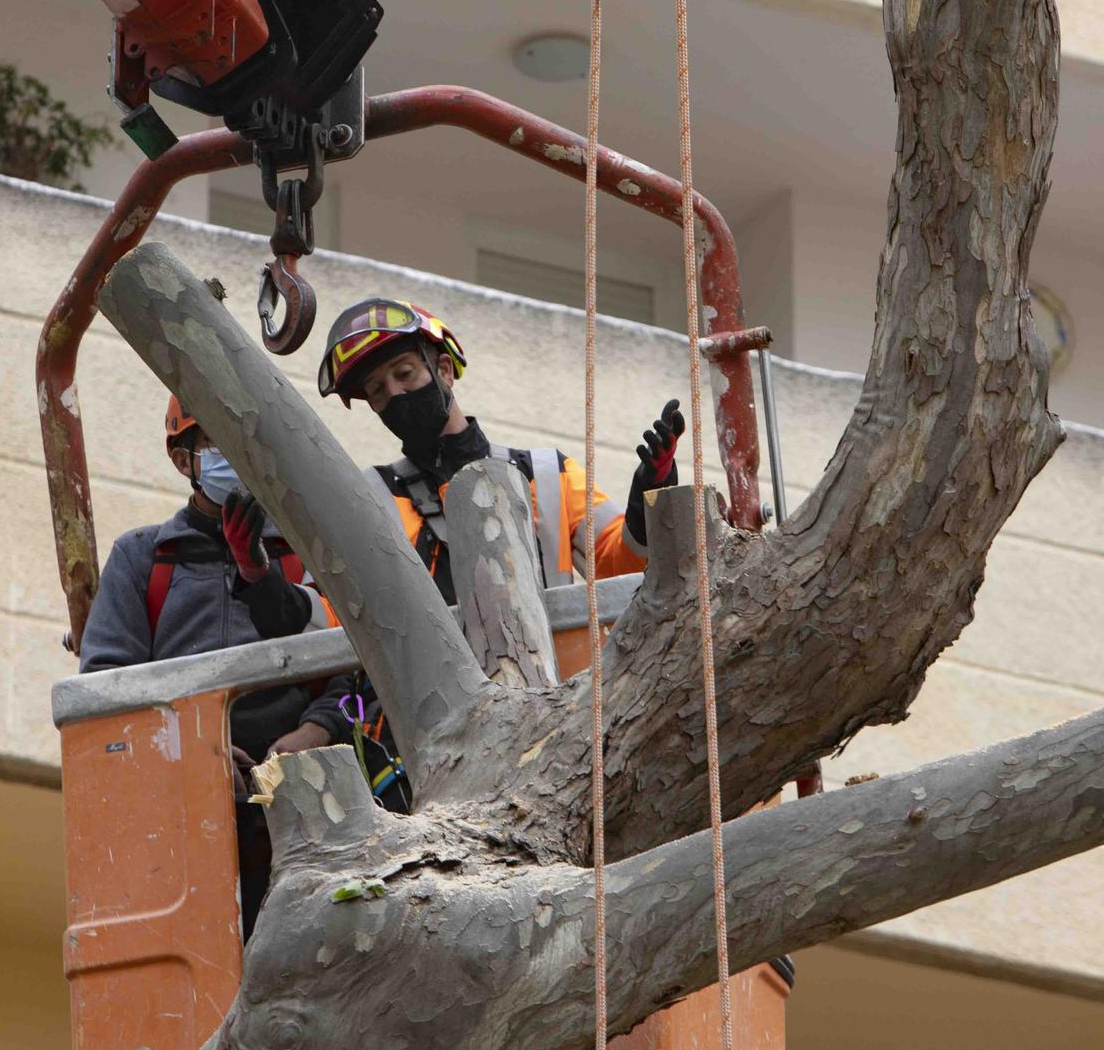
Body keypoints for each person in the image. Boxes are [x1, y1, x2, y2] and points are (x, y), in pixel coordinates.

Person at [78, 392, 351, 932]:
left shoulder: (311, 555)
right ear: (185, 461)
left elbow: (362, 688)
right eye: (217, 441)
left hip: (305, 810)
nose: (237, 454)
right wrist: (194, 748)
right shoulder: (143, 558)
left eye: (246, 440)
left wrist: (314, 734)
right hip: (181, 810)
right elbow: (106, 691)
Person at [317, 297, 685, 601]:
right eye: (377, 390)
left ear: (444, 369)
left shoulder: (548, 474)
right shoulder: (372, 498)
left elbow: (621, 566)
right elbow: (333, 613)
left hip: (554, 687)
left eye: (405, 373)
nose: (394, 393)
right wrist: (262, 575)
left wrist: (650, 493)